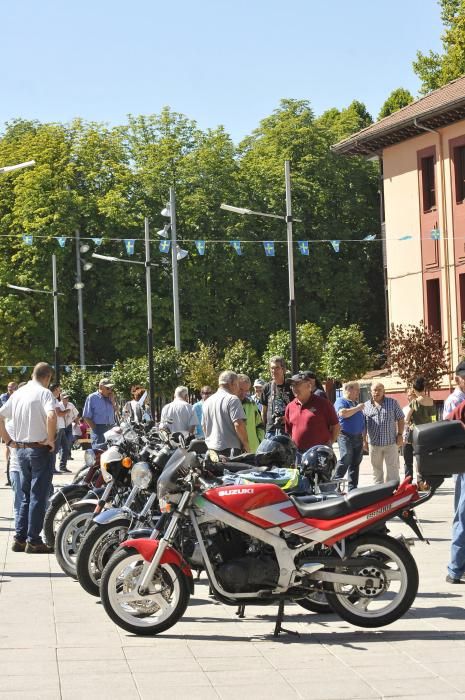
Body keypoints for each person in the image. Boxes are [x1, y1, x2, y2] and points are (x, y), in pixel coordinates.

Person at [0, 362, 56, 553]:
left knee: (24, 496)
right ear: (47, 377)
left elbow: (0, 416)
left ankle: (20, 538)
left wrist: (7, 440)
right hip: (38, 449)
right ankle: (33, 540)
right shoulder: (45, 393)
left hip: (21, 449)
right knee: (38, 496)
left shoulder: (18, 393)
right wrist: (50, 440)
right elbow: (51, 416)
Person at [284, 371, 339, 460]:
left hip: (320, 454)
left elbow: (336, 426)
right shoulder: (290, 407)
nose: (294, 388)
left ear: (308, 386)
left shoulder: (323, 403)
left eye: (297, 384)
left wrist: (328, 444)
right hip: (298, 454)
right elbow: (289, 431)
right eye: (292, 385)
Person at [364, 382, 404, 484]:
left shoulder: (392, 403)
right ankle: (378, 492)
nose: (376, 392)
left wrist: (400, 435)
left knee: (393, 470)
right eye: (374, 390)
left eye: (379, 390)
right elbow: (363, 425)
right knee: (376, 471)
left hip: (391, 442)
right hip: (374, 444)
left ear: (384, 391)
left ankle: (392, 490)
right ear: (370, 391)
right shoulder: (365, 406)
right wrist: (364, 440)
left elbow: (400, 418)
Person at [202, 370, 249, 456]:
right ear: (232, 383)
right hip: (230, 452)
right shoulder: (233, 399)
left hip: (211, 450)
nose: (238, 388)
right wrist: (246, 445)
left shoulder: (207, 402)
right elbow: (238, 424)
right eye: (237, 384)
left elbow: (204, 426)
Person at [332, 381, 365, 490]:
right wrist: (358, 408)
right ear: (349, 390)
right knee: (346, 458)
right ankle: (334, 485)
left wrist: (364, 438)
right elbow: (343, 413)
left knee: (355, 462)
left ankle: (352, 488)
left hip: (358, 436)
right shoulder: (341, 401)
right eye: (357, 390)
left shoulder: (355, 403)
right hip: (345, 435)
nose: (358, 392)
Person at [403, 377, 435, 485]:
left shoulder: (415, 402)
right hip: (428, 433)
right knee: (424, 458)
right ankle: (424, 481)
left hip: (416, 433)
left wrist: (410, 423)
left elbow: (406, 419)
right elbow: (434, 418)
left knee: (415, 458)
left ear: (414, 389)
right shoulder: (431, 401)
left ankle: (416, 481)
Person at [261, 357, 293, 437]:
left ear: (284, 369)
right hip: (271, 431)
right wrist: (265, 428)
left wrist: (286, 419)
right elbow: (263, 411)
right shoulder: (267, 387)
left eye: (277, 368)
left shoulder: (291, 386)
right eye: (272, 368)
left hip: (288, 430)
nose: (274, 371)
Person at [82, 378, 117, 448]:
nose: (110, 390)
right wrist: (95, 429)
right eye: (108, 388)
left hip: (111, 427)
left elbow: (117, 411)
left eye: (111, 388)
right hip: (99, 428)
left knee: (111, 453)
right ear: (101, 387)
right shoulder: (92, 397)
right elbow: (86, 416)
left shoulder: (111, 397)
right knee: (99, 453)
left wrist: (113, 401)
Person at [237, 374, 265, 452]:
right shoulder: (229, 403)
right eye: (241, 389)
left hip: (253, 451)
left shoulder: (252, 403)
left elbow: (259, 425)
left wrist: (259, 442)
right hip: (235, 452)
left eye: (246, 391)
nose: (243, 393)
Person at [50, 384, 71, 474]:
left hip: (61, 427)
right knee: (55, 450)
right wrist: (67, 411)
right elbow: (59, 413)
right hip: (57, 428)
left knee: (66, 448)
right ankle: (52, 468)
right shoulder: (52, 399)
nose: (60, 392)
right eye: (59, 390)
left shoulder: (55, 400)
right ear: (54, 390)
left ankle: (62, 467)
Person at [2, 381, 18, 485]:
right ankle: (8, 466)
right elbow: (5, 407)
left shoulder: (18, 396)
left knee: (13, 450)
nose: (10, 389)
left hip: (16, 425)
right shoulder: (4, 396)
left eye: (12, 387)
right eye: (8, 387)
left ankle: (10, 469)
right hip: (7, 424)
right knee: (8, 447)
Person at [61, 394, 79, 464]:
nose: (66, 399)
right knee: (62, 444)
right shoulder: (58, 405)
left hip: (68, 425)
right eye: (65, 398)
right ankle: (63, 456)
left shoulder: (71, 405)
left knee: (69, 442)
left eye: (67, 398)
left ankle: (68, 455)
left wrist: (76, 423)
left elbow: (76, 414)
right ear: (61, 397)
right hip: (61, 426)